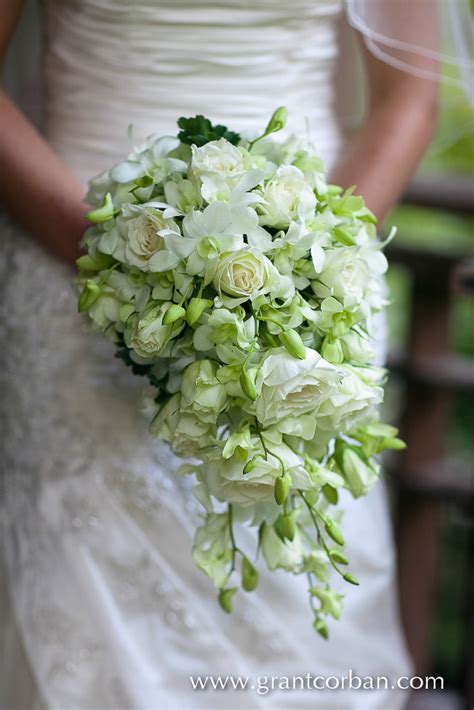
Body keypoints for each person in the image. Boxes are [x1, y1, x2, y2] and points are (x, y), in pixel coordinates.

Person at [0, 1, 439, 708]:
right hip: (74, 282)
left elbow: (410, 96)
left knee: (296, 578)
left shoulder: (307, 279)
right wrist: (110, 256)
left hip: (310, 286)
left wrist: (302, 272)